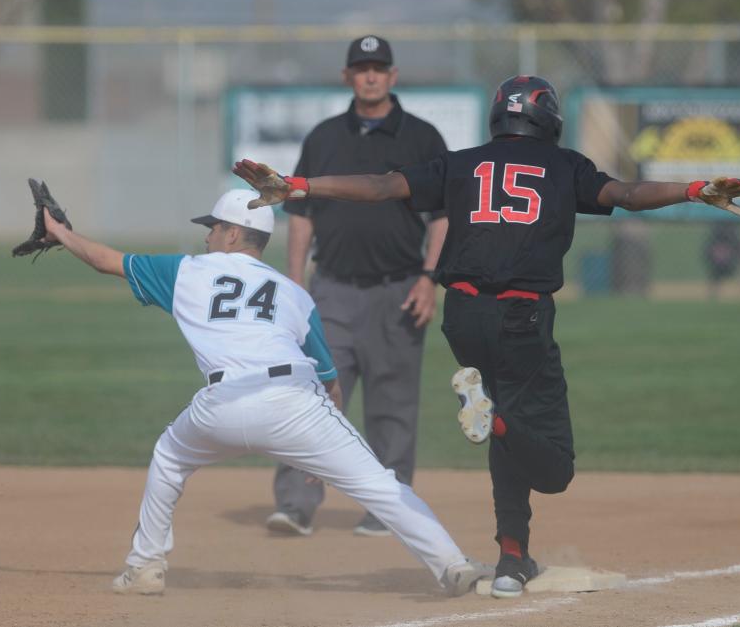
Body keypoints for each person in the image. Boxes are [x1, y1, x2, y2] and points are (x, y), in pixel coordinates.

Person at [232, 75, 740, 598]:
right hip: (521, 318)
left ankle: (511, 557)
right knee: (553, 466)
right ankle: (495, 425)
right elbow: (628, 195)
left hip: (462, 316)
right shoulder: (564, 164)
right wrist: (694, 190)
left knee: (503, 430)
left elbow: (382, 185)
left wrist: (301, 186)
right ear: (547, 118)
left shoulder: (462, 162)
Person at [37, 188, 493, 597]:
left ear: (234, 234)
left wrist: (59, 232)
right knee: (378, 484)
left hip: (219, 405)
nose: (207, 236)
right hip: (294, 404)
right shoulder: (293, 293)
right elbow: (329, 378)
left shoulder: (186, 270)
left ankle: (144, 568)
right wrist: (319, 451)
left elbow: (104, 259)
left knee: (169, 458)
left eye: (213, 228)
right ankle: (452, 565)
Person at [269, 35, 450, 539]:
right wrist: (294, 282)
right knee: (314, 397)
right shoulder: (324, 137)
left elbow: (443, 217)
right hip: (332, 289)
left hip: (399, 289)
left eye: (379, 67)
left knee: (393, 405)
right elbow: (300, 215)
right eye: (361, 67)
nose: (370, 75)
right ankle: (297, 503)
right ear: (348, 76)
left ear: (392, 76)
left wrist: (429, 279)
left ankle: (386, 507)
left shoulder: (422, 138)